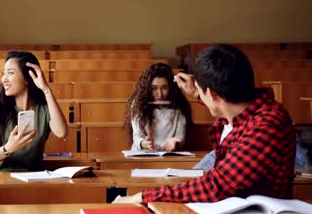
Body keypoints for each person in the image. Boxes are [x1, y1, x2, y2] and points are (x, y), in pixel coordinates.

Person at [114, 44, 296, 204]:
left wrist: (143, 197)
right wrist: (198, 92)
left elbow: (219, 184)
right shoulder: (247, 110)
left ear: (212, 94)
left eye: (202, 93)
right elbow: (223, 105)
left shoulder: (266, 124)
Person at [0, 51, 68, 172]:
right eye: (4, 73)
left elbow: (61, 132)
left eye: (10, 73)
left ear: (27, 78)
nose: (4, 79)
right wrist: (8, 148)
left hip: (32, 179)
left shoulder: (44, 109)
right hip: (1, 177)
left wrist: (46, 89)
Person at [125, 63, 192, 151]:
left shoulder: (178, 104)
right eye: (154, 88)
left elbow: (180, 133)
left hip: (168, 155)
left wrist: (176, 142)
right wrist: (145, 143)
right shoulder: (138, 104)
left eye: (164, 88)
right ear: (147, 89)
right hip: (143, 154)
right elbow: (137, 135)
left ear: (171, 88)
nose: (160, 94)